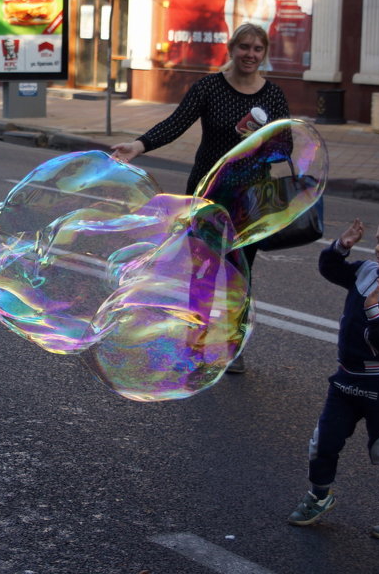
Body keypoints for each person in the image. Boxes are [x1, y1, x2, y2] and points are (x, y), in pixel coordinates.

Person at [111, 23, 289, 372]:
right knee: (204, 269)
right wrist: (139, 144)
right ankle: (197, 341)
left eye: (257, 49)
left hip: (250, 197)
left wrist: (260, 140)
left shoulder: (273, 96)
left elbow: (285, 146)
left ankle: (233, 346)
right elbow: (176, 123)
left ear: (264, 53)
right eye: (244, 47)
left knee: (241, 272)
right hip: (208, 191)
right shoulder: (210, 87)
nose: (250, 55)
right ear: (231, 48)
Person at [287, 209, 379, 540]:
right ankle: (319, 494)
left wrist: (372, 310)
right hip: (345, 380)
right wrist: (341, 246)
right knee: (322, 441)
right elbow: (330, 269)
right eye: (377, 241)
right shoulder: (368, 271)